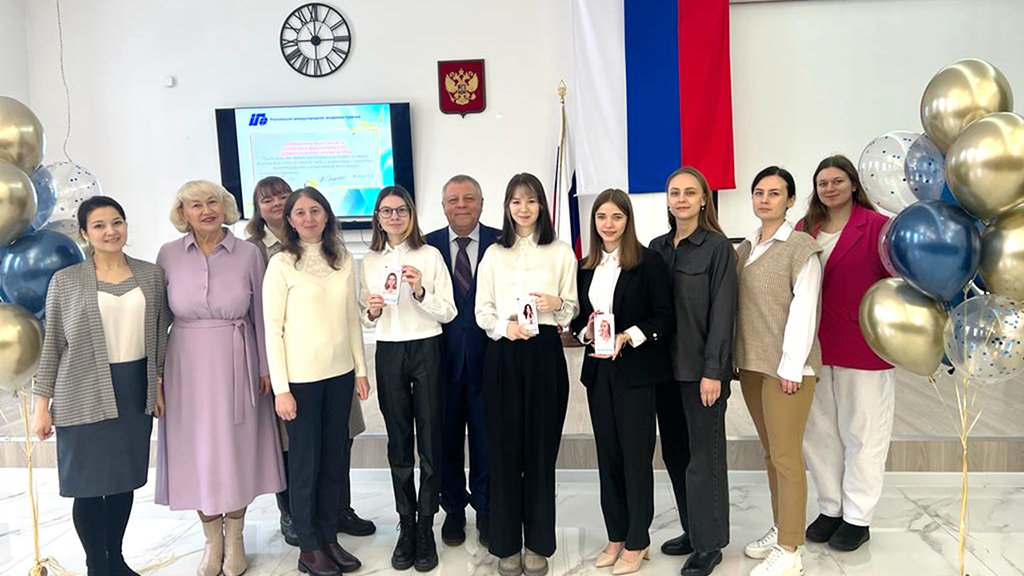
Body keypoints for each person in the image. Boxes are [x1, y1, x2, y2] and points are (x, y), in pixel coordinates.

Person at [32, 196, 169, 576]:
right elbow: (52, 344)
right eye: (99, 225)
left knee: (123, 480)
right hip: (80, 390)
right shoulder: (66, 281)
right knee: (88, 485)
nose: (111, 231)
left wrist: (157, 386)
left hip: (133, 390)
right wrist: (41, 405)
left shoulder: (151, 276)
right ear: (84, 233)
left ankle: (116, 560)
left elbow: (160, 336)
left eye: (117, 222)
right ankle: (97, 565)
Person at [155, 180, 285, 576]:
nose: (206, 210)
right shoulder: (168, 254)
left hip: (237, 362)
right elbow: (158, 319)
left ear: (225, 206)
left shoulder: (248, 253)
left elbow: (262, 316)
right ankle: (212, 540)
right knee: (197, 453)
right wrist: (156, 377)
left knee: (236, 451)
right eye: (195, 205)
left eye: (212, 202)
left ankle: (236, 538)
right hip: (185, 368)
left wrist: (265, 367)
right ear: (183, 213)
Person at [245, 177, 374, 543]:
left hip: (340, 375)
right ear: (290, 220)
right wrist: (282, 390)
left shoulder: (342, 258)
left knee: (334, 459)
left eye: (315, 210)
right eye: (300, 213)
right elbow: (272, 330)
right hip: (300, 381)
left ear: (327, 215)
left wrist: (360, 370)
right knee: (304, 463)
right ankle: (309, 545)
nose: (308, 218)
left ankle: (329, 538)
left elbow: (350, 318)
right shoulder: (281, 263)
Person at [475, 172, 578, 576]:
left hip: (544, 353)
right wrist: (505, 328)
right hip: (503, 352)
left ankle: (537, 544)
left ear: (542, 206)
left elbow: (572, 309)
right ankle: (505, 544)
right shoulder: (493, 254)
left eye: (531, 200)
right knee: (503, 452)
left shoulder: (561, 252)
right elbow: (482, 310)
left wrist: (557, 303)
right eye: (516, 201)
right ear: (507, 207)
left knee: (540, 451)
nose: (524, 208)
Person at [570, 188, 674, 575]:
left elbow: (664, 317)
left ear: (627, 221)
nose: (608, 224)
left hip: (636, 374)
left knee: (635, 457)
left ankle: (637, 540)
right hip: (599, 373)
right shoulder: (585, 266)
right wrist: (587, 331)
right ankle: (616, 535)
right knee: (608, 456)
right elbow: (578, 322)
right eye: (601, 217)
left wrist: (627, 336)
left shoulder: (649, 262)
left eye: (616, 216)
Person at [798, 155, 894, 552]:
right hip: (814, 346)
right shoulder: (805, 228)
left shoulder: (878, 227)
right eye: (823, 183)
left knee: (863, 432)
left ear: (854, 184)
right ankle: (830, 507)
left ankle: (857, 516)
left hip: (863, 345)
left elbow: (896, 285)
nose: (830, 188)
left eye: (837, 181)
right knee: (819, 432)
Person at [360, 185, 457, 572]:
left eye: (401, 210)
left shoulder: (430, 255)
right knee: (398, 442)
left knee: (431, 439)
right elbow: (366, 315)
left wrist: (419, 290)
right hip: (389, 350)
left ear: (412, 215)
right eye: (387, 211)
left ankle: (427, 525)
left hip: (427, 347)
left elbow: (448, 312)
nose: (394, 217)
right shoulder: (369, 260)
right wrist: (371, 311)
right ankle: (406, 524)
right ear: (378, 218)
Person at [649, 167, 737, 576]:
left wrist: (713, 371)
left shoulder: (718, 248)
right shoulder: (656, 248)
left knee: (705, 459)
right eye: (674, 192)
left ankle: (709, 544)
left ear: (704, 200)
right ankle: (692, 529)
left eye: (689, 192)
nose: (681, 199)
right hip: (662, 371)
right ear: (667, 200)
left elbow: (723, 314)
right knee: (676, 455)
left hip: (701, 372)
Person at [735, 167, 823, 576]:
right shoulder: (746, 246)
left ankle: (790, 550)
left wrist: (792, 364)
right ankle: (781, 527)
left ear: (790, 200)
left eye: (774, 193)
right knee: (772, 454)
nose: (765, 199)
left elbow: (805, 309)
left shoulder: (801, 246)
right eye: (759, 192)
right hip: (753, 364)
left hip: (789, 369)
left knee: (787, 456)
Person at [425, 174, 500, 547]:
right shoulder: (426, 246)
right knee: (447, 440)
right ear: (443, 207)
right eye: (453, 199)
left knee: (488, 440)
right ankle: (453, 509)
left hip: (490, 361)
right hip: (442, 363)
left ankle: (485, 508)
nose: (461, 205)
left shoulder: (503, 242)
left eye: (469, 198)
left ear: (482, 203)